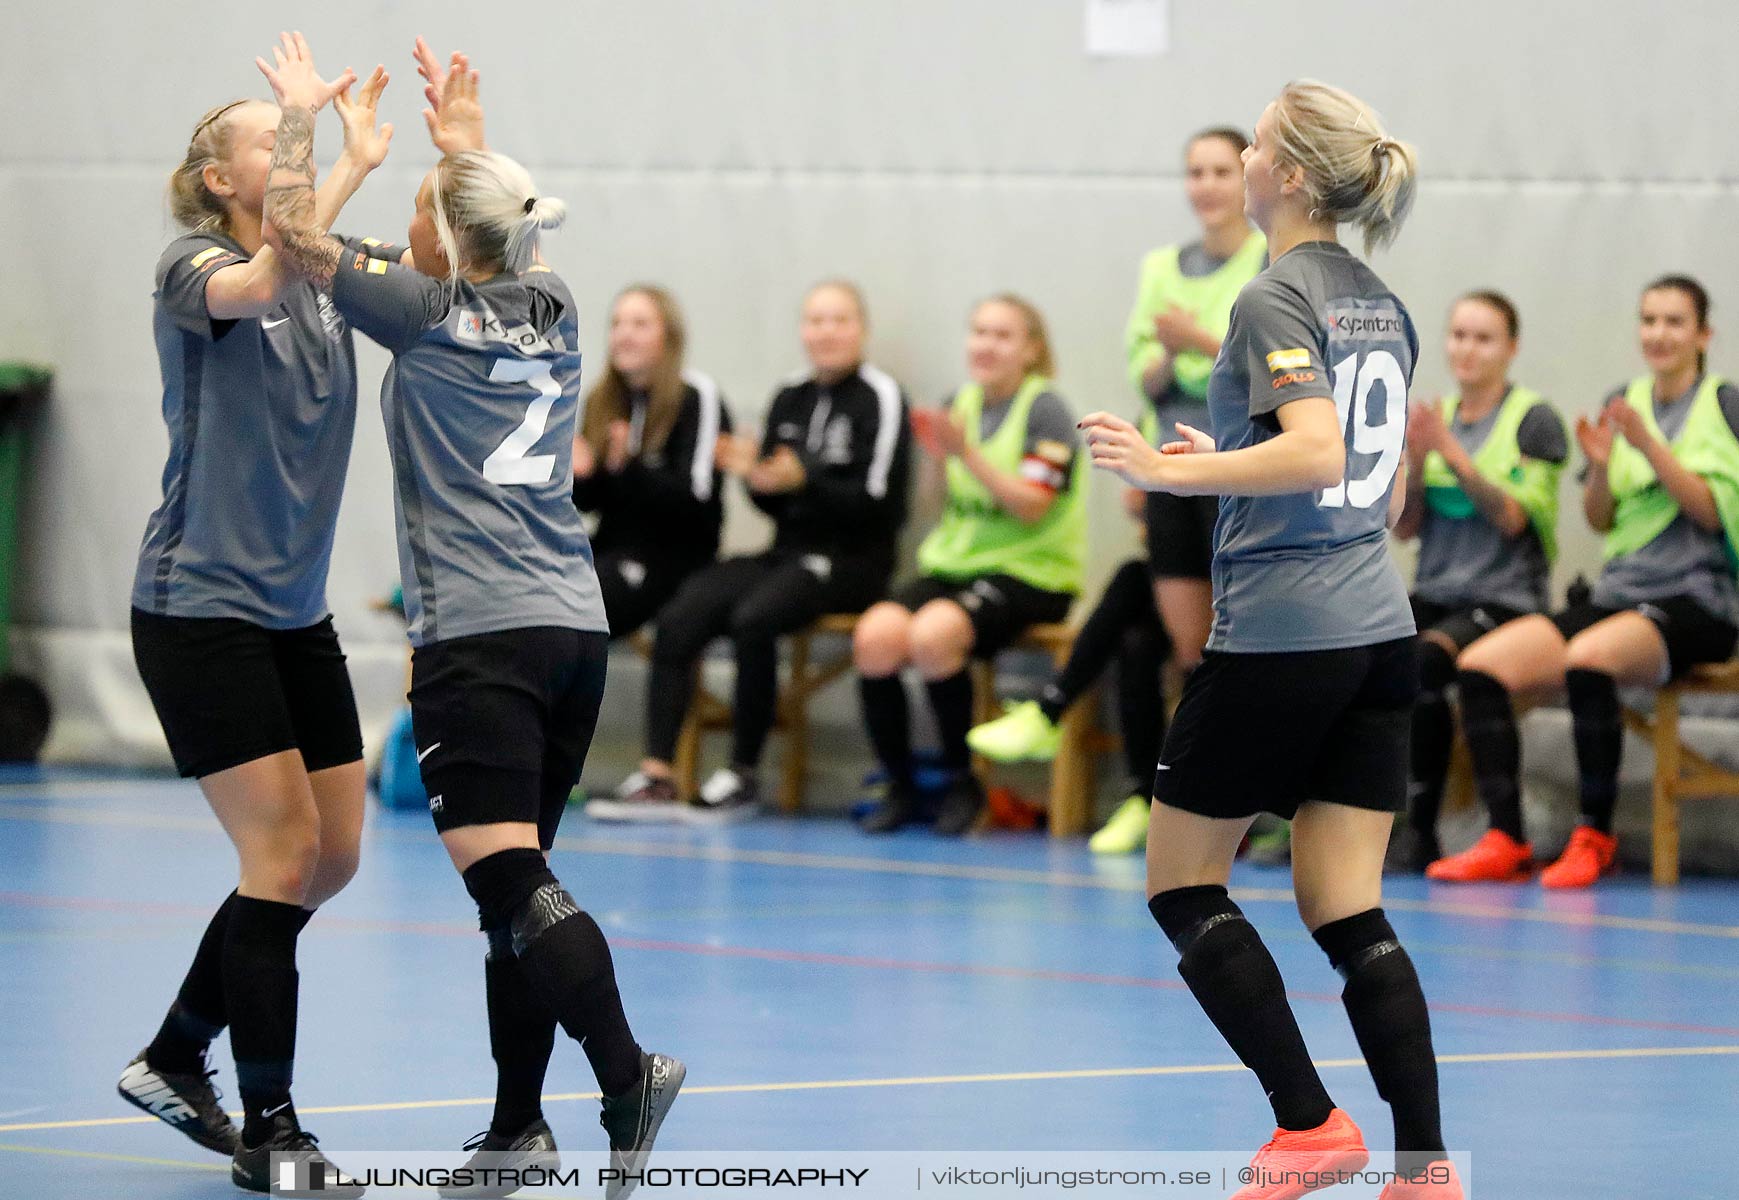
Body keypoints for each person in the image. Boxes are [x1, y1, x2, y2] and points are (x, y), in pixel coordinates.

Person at [260, 35, 681, 1198]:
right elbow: (496, 219)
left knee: (507, 881)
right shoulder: (551, 300)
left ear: (444, 240)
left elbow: (293, 238)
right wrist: (461, 146)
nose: (406, 228)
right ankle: (516, 1131)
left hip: (482, 636)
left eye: (419, 214)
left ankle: (623, 1071)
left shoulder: (425, 313)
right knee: (520, 877)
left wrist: (300, 121)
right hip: (570, 629)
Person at [1081, 81, 1461, 1199]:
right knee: (1345, 906)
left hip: (1283, 636)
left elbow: (1312, 452)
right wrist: (1225, 455)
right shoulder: (1376, 301)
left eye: (1250, 145)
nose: (1239, 159)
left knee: (1180, 885)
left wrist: (1170, 470)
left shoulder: (1270, 296)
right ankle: (1424, 1167)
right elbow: (1375, 489)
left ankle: (1308, 1128)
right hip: (1375, 631)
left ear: (1288, 175)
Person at [116, 56, 386, 1192]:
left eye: (296, 141)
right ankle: (272, 1129)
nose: (292, 149)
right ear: (216, 174)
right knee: (278, 853)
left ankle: (175, 1053)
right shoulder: (197, 270)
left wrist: (358, 161)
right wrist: (305, 141)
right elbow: (264, 277)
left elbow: (302, 254)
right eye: (269, 140)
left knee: (331, 861)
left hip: (292, 614)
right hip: (199, 609)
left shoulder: (307, 270)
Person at [1430, 275, 1739, 889]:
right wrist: (1599, 468)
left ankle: (1595, 834)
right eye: (1648, 320)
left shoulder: (1722, 402)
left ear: (1702, 335)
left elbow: (1709, 513)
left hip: (1698, 601)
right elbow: (1600, 518)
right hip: (1618, 592)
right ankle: (1506, 838)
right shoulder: (1623, 398)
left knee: (1589, 659)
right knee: (1483, 667)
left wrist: (1649, 446)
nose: (1658, 334)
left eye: (1674, 322)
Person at [588, 281, 910, 823]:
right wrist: (762, 483)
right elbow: (772, 503)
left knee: (754, 618)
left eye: (838, 321)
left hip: (855, 560)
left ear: (862, 330)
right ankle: (659, 775)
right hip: (787, 553)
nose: (825, 332)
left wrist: (800, 480)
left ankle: (743, 773)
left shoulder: (879, 395)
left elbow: (880, 503)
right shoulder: (791, 394)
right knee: (684, 613)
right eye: (815, 321)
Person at [855, 295, 1084, 836]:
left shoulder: (1045, 409)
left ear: (1031, 350)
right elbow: (938, 507)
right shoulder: (958, 402)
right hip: (955, 565)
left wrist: (967, 455)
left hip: (1029, 573)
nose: (985, 344)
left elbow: (1033, 505)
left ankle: (962, 781)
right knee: (876, 637)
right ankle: (901, 783)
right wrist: (937, 458)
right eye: (978, 332)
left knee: (934, 636)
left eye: (1002, 335)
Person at [1388, 291, 1567, 871]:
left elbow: (1514, 519)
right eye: (1459, 335)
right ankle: (1334, 819)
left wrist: (1450, 452)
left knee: (1428, 662)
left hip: (1505, 598)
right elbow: (1409, 529)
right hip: (1437, 591)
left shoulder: (1532, 419)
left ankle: (1425, 830)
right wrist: (1416, 464)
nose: (1467, 349)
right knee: (1357, 650)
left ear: (1510, 349)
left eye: (1483, 338)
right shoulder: (1434, 423)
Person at [965, 512, 1169, 855]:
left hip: (1231, 593)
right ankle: (1144, 798)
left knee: (1133, 578)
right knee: (1136, 643)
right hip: (1183, 586)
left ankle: (1051, 710)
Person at [572, 285, 730, 640]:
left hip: (675, 558)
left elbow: (696, 502)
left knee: (575, 613)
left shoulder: (696, 397)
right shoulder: (602, 399)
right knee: (533, 600)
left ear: (669, 337)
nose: (624, 335)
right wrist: (580, 477)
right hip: (612, 549)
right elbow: (592, 502)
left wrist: (630, 467)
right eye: (617, 324)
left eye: (640, 324)